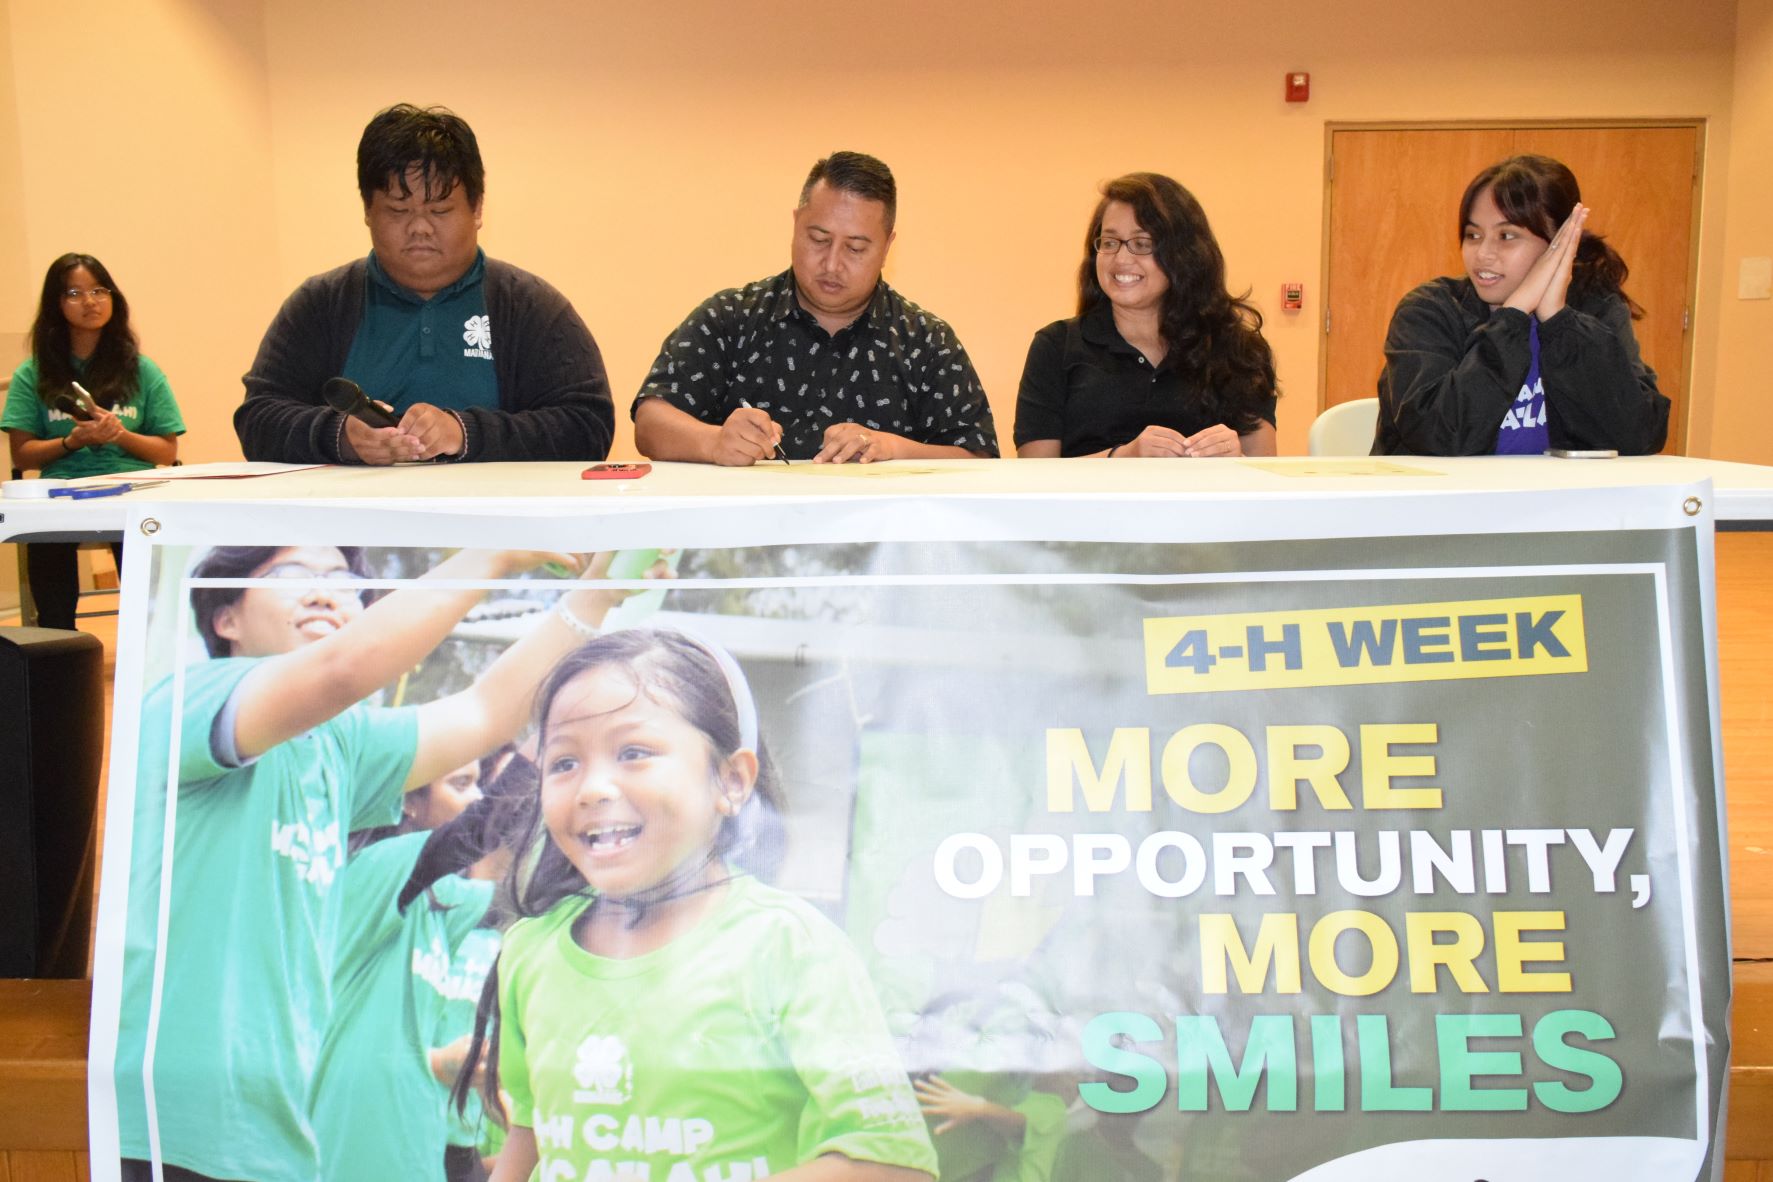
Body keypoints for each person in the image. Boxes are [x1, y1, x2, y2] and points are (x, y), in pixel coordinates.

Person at [114, 546, 634, 1182]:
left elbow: (485, 712)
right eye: (290, 576)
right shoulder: (192, 699)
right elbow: (344, 669)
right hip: (171, 1123)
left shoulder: (340, 744)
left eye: (343, 580)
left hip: (276, 1141)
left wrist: (595, 596)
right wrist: (491, 555)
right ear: (226, 619)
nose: (323, 592)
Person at [472, 629, 938, 1181]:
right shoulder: (530, 951)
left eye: (633, 753)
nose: (592, 788)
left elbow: (892, 1163)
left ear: (731, 781)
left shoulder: (789, 947)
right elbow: (531, 1132)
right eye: (564, 762)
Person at [235, 104, 613, 464]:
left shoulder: (531, 307)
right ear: (367, 211)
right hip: (355, 512)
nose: (419, 228)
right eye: (398, 210)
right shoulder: (321, 304)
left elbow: (588, 427)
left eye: (440, 210)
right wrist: (340, 437)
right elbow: (257, 419)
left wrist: (465, 433)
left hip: (492, 512)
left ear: (478, 208)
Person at [633, 151, 997, 464]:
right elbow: (651, 420)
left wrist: (893, 448)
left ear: (887, 247)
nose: (832, 264)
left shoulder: (925, 341)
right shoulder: (730, 318)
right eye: (819, 239)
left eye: (855, 248)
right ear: (796, 224)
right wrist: (713, 442)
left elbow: (979, 458)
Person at [1372, 153, 1669, 456]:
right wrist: (1513, 315)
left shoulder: (1596, 309)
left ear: (1560, 241)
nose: (1483, 254)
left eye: (1506, 236)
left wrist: (1559, 321)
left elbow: (1638, 435)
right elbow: (1438, 436)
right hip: (1454, 489)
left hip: (1556, 489)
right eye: (1473, 235)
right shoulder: (1429, 310)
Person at [308, 758, 495, 1182]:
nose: (477, 797)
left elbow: (526, 898)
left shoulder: (440, 900)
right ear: (408, 800)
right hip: (352, 1153)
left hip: (415, 1152)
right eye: (460, 783)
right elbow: (487, 824)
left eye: (479, 783)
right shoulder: (372, 871)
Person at [1014, 173, 1276, 459]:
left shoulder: (1240, 350)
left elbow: (1265, 470)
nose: (1121, 259)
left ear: (1184, 254)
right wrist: (1123, 457)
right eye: (1110, 242)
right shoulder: (1055, 346)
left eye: (1141, 244)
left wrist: (1235, 459)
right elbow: (1033, 472)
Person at [3, 253, 184, 627]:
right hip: (62, 493)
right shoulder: (32, 373)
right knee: (46, 538)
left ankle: (149, 641)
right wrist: (72, 442)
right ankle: (59, 641)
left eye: (99, 291)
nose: (90, 302)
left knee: (146, 547)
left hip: (134, 488)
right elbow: (23, 456)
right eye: (74, 293)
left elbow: (167, 451)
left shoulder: (142, 369)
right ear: (55, 304)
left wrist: (120, 434)